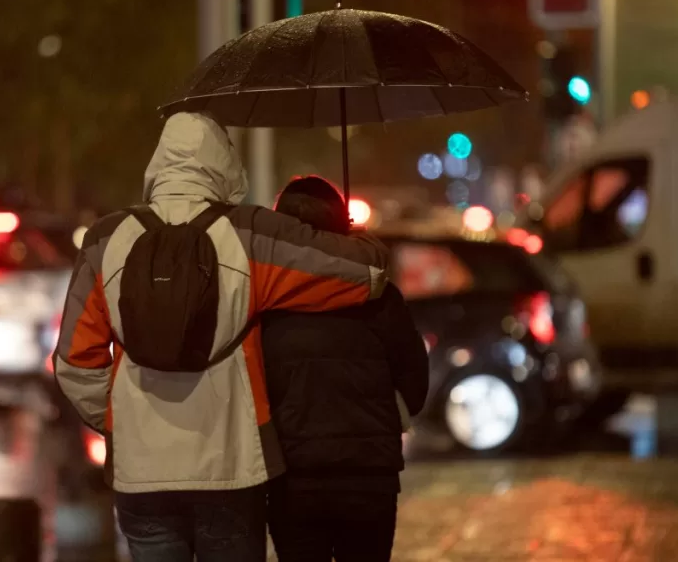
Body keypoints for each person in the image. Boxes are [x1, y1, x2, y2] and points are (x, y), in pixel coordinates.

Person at [52, 112, 390, 562]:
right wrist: (354, 234)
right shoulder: (250, 234)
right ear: (224, 164)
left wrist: (119, 422)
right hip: (232, 469)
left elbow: (75, 363)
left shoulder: (104, 240)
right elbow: (365, 273)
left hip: (140, 472)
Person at [261, 176, 430, 562]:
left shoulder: (265, 300)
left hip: (292, 479)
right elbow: (415, 385)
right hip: (369, 478)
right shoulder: (380, 295)